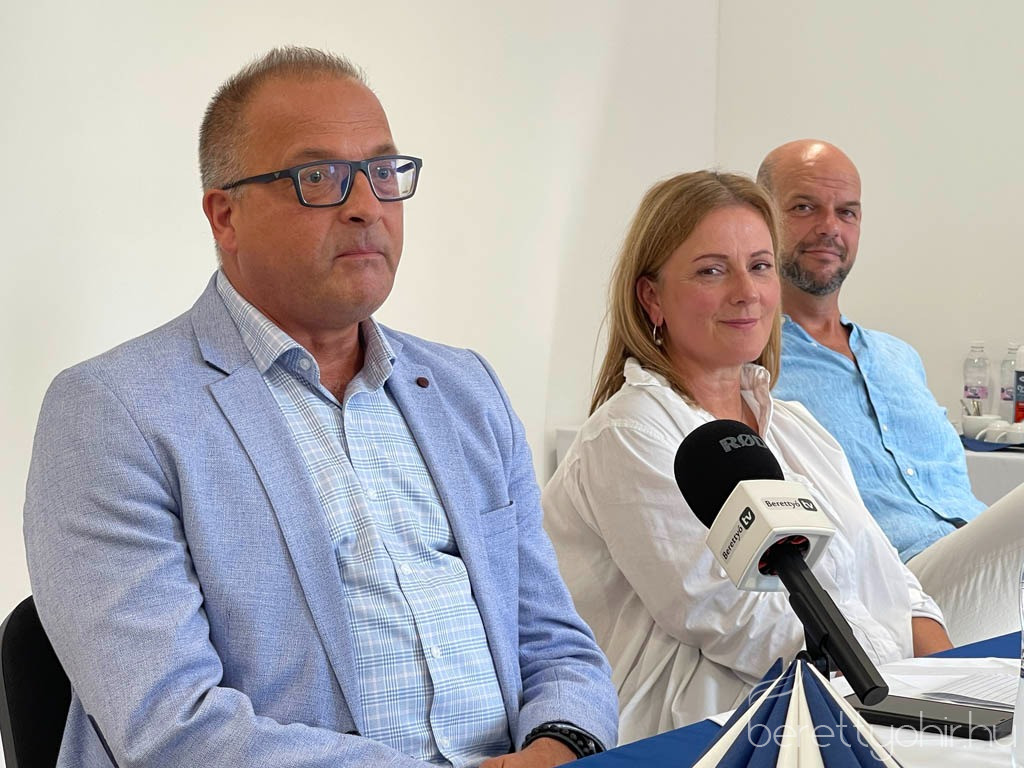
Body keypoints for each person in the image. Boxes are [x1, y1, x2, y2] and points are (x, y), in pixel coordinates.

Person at [23, 47, 617, 768]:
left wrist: (558, 748)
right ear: (225, 216)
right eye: (319, 178)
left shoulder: (466, 390)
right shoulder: (114, 412)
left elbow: (555, 643)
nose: (367, 206)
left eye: (383, 172)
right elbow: (170, 727)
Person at [542, 170, 950, 742]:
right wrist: (897, 689)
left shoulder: (795, 428)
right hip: (709, 726)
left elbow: (887, 577)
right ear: (652, 297)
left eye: (760, 266)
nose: (746, 292)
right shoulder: (630, 432)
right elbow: (734, 617)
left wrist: (950, 683)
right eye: (712, 271)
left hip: (850, 694)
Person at [759, 138, 1024, 645]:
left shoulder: (899, 357)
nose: (830, 227)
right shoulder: (756, 368)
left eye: (847, 212)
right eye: (804, 207)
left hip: (986, 575)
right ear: (760, 218)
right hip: (900, 595)